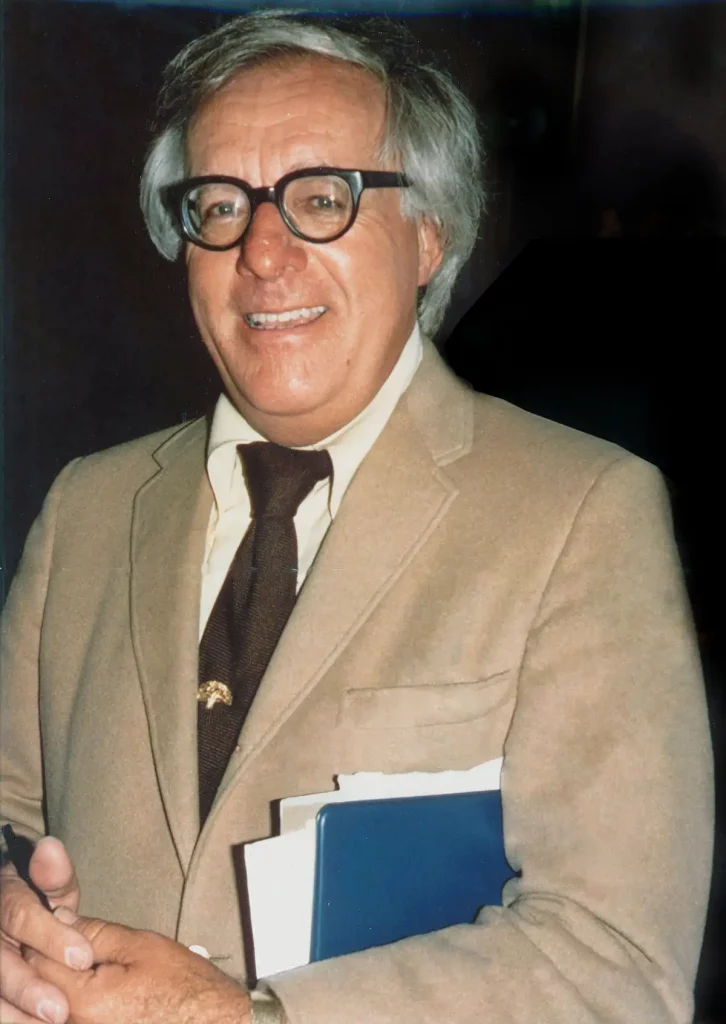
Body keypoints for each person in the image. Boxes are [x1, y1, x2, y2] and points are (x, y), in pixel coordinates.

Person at [0, 11, 713, 1024]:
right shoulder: (85, 505)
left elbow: (616, 965)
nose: (261, 252)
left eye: (321, 199)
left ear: (430, 235)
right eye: (220, 204)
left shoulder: (582, 512)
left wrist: (246, 1017)